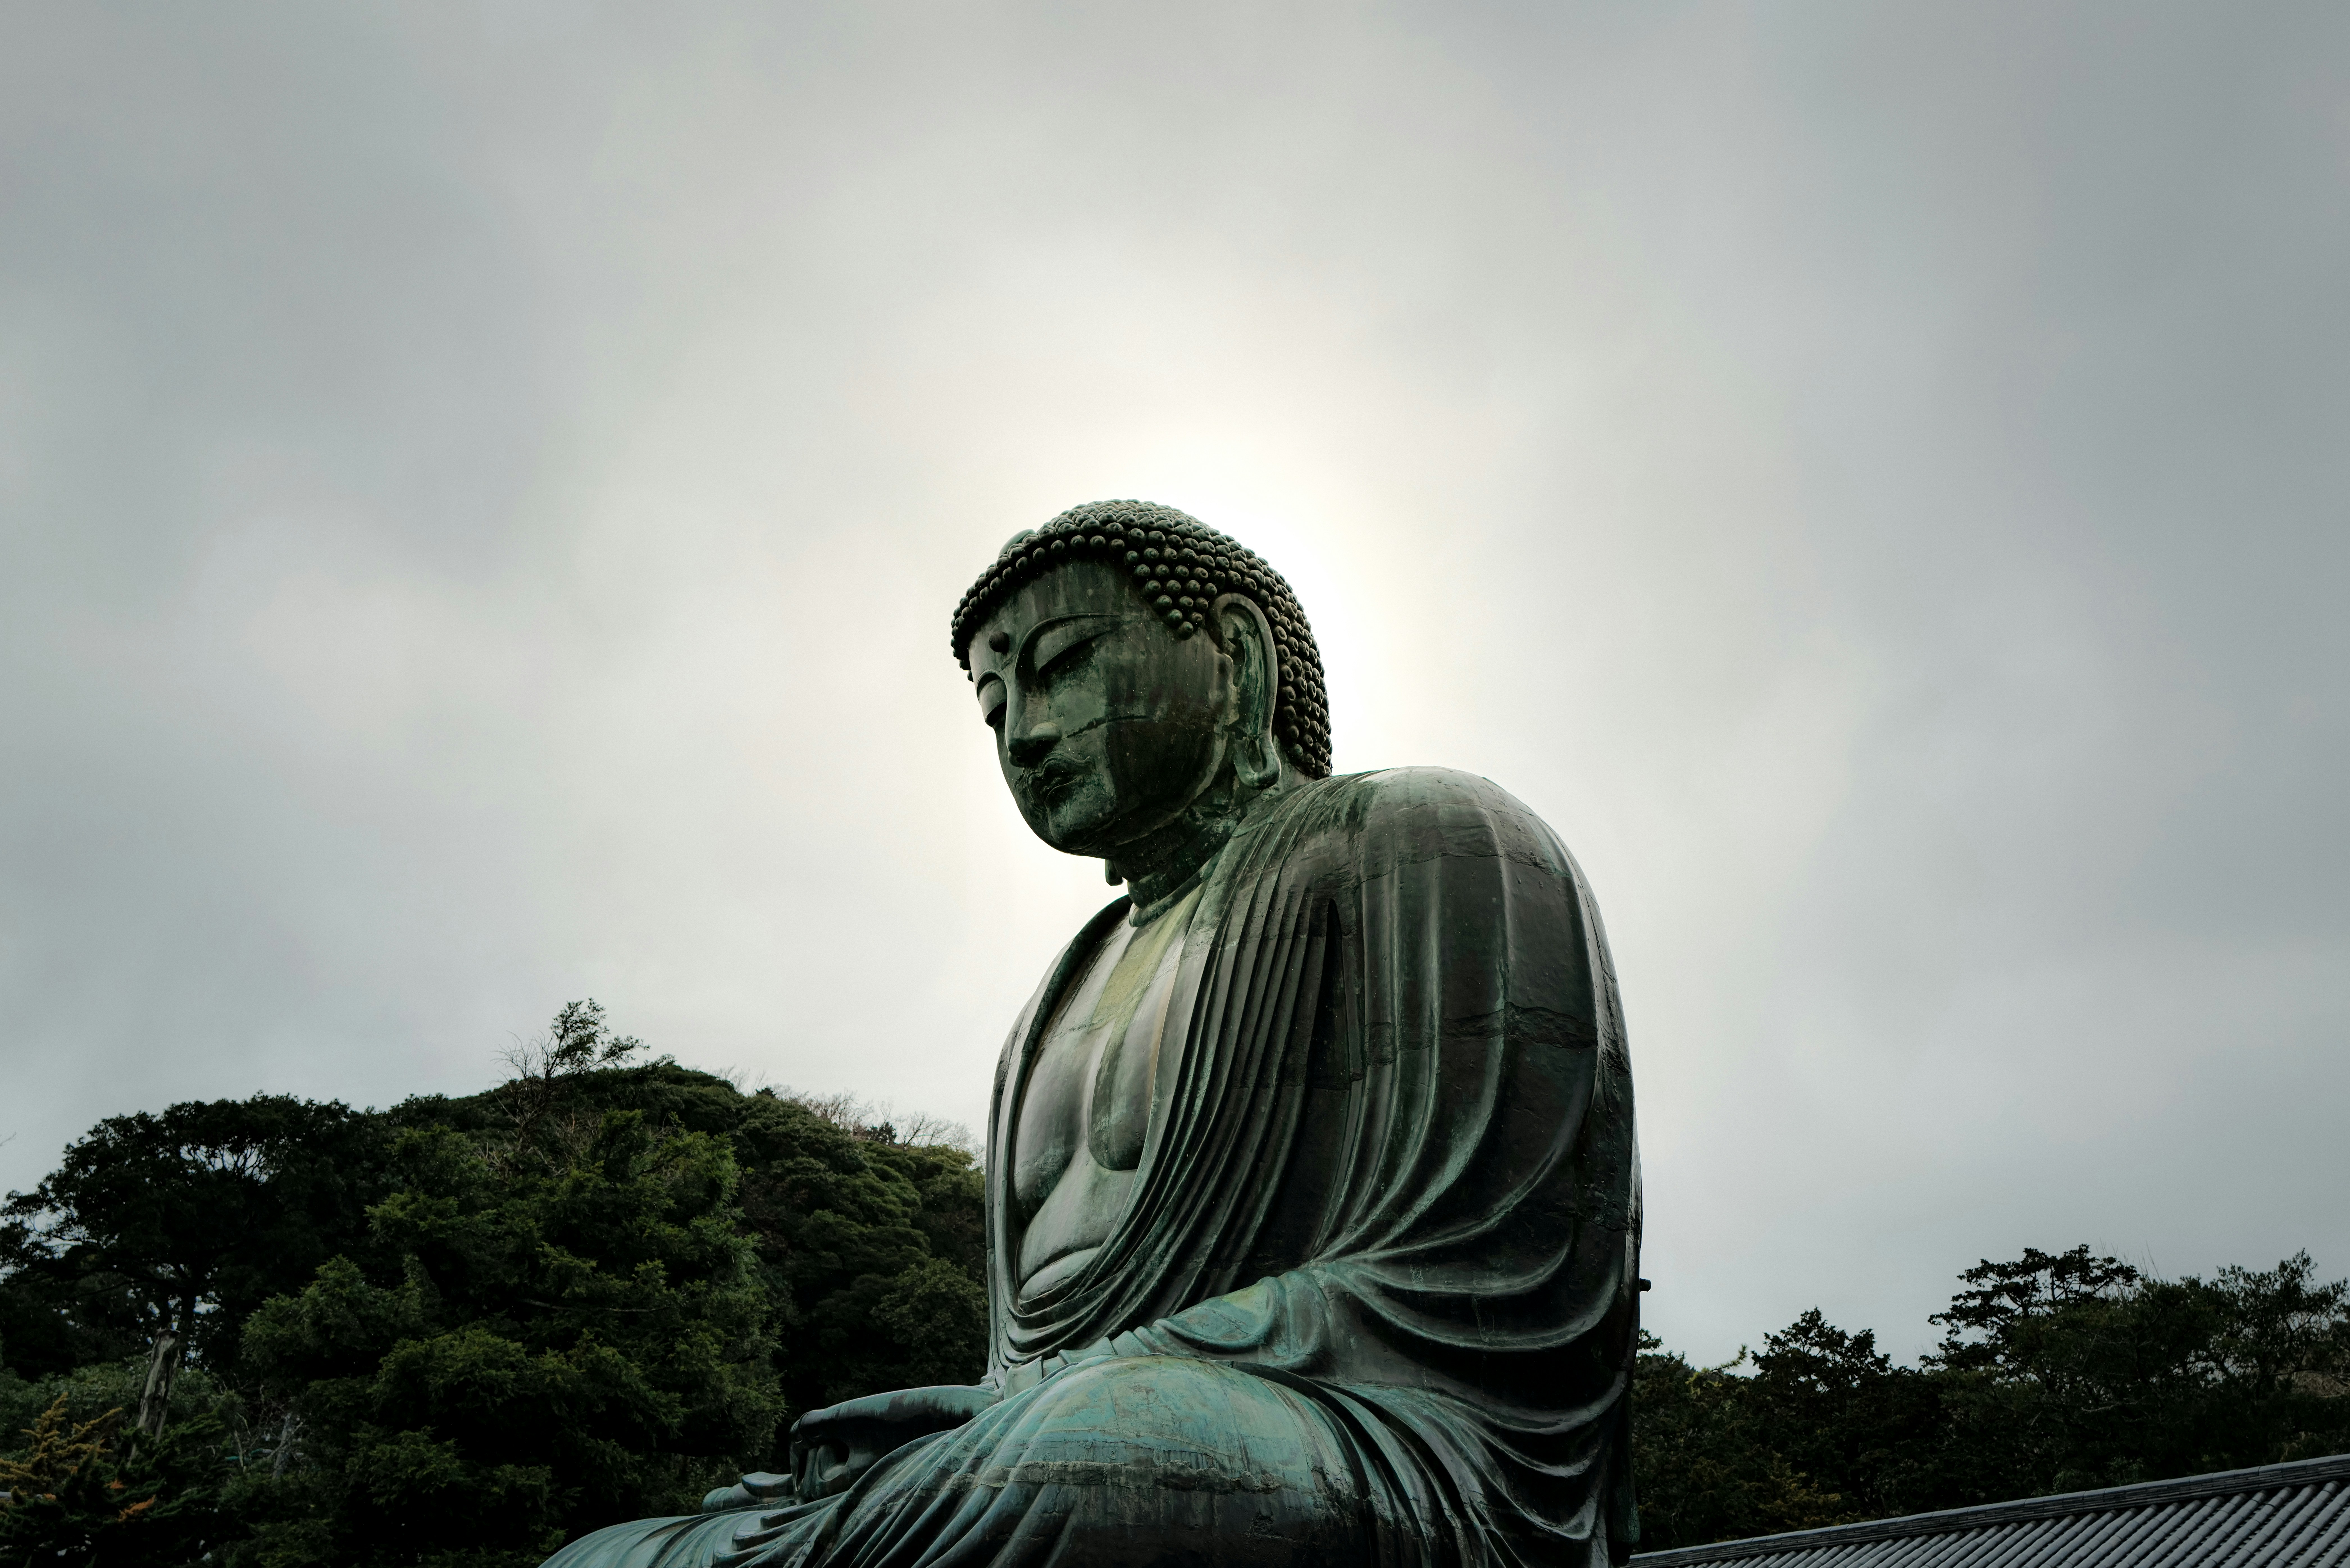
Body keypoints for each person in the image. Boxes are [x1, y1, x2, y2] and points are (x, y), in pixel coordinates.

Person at [546, 500, 1642, 1568]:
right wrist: (982, 1419)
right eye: (992, 706)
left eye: (1063, 664)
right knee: (616, 1551)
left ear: (1235, 657)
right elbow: (1021, 1366)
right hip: (1062, 1434)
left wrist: (1049, 1402)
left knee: (1086, 1454)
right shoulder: (1052, 1005)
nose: (1022, 733)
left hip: (1382, 1442)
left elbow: (1487, 1280)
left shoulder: (1423, 840)